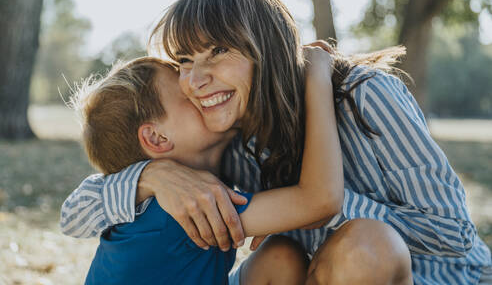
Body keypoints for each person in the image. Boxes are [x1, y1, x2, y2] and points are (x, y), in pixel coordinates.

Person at [61, 0, 491, 284]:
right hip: (317, 273)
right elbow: (74, 216)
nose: (194, 80)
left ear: (266, 48)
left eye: (219, 51)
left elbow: (452, 234)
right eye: (185, 61)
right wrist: (151, 177)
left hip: (433, 276)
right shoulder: (221, 142)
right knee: (280, 256)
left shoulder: (365, 95)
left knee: (366, 244)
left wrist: (319, 213)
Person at [68, 50, 340, 285]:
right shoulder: (184, 207)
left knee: (280, 257)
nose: (200, 90)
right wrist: (316, 76)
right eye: (187, 97)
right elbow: (319, 200)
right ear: (157, 138)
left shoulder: (152, 198)